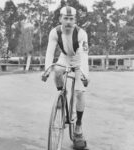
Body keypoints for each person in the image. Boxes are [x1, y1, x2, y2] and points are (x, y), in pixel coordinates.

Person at [42, 6, 89, 149]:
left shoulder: (81, 33)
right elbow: (50, 53)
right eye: (66, 18)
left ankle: (78, 127)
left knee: (80, 92)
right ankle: (62, 95)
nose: (68, 22)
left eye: (71, 19)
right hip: (65, 58)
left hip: (79, 60)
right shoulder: (55, 32)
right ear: (60, 19)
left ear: (75, 20)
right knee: (56, 70)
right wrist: (46, 70)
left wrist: (85, 75)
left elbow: (85, 56)